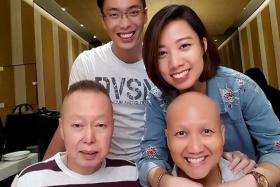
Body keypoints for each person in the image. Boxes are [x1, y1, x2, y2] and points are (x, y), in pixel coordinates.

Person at [138, 4, 280, 187]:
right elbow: (150, 156)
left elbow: (276, 146)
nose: (175, 63)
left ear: (203, 45)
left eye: (184, 45)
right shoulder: (157, 100)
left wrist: (254, 179)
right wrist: (165, 180)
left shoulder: (241, 88)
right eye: (162, 53)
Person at [43, 0, 152, 162]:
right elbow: (72, 121)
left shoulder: (160, 63)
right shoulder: (88, 62)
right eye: (114, 14)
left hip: (149, 164)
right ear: (103, 20)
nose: (125, 23)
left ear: (145, 15)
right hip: (98, 165)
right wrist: (41, 171)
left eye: (133, 12)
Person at [12, 80, 141, 187]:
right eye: (77, 125)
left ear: (112, 128)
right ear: (62, 129)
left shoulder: (132, 174)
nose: (89, 139)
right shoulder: (30, 180)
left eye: (100, 125)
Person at [166, 92, 244, 187]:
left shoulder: (247, 179)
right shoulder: (161, 182)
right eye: (181, 133)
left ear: (222, 135)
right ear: (168, 139)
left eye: (207, 131)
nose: (195, 149)